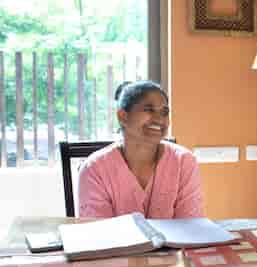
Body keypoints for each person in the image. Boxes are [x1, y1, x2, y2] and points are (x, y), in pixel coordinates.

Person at [78, 80, 205, 218]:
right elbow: (98, 232)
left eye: (164, 112)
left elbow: (190, 227)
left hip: (175, 241)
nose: (159, 119)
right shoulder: (94, 169)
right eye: (149, 110)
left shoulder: (184, 162)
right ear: (123, 116)